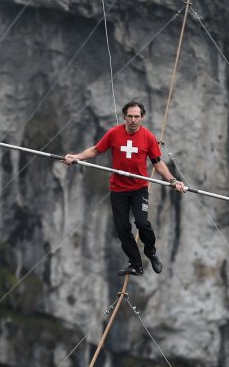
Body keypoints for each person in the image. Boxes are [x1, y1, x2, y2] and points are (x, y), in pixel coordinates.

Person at [63, 101, 187, 276]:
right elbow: (97, 150)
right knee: (122, 228)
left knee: (142, 223)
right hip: (118, 190)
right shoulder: (114, 133)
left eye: (137, 116)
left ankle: (151, 252)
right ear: (124, 117)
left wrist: (174, 181)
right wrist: (76, 157)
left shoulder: (148, 137)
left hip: (139, 189)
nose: (133, 120)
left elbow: (157, 164)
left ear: (142, 117)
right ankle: (136, 264)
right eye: (130, 116)